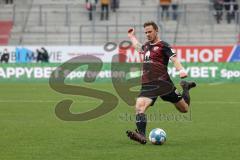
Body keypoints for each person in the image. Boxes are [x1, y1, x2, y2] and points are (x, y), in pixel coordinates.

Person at [126, 21, 196, 144]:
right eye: (146, 32)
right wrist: (132, 36)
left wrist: (181, 70)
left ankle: (185, 88)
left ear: (156, 31)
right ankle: (141, 135)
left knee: (184, 109)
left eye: (150, 32)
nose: (147, 34)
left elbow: (174, 59)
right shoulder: (147, 46)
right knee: (139, 107)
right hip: (148, 84)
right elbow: (138, 47)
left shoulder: (164, 46)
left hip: (164, 84)